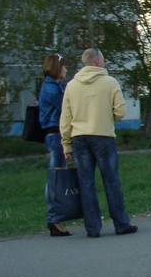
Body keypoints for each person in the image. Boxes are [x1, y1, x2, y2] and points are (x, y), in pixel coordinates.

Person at [60, 48, 137, 238]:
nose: (104, 62)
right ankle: (121, 224)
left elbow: (66, 118)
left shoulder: (71, 85)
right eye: (102, 59)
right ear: (97, 62)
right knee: (111, 181)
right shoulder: (110, 82)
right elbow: (120, 112)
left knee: (86, 183)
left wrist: (66, 145)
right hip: (103, 137)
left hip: (79, 138)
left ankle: (93, 228)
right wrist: (105, 116)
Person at [39, 53, 71, 236]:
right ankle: (54, 219)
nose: (66, 70)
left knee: (56, 176)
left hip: (56, 134)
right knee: (55, 178)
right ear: (56, 68)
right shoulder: (52, 89)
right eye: (64, 66)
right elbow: (66, 108)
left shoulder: (54, 87)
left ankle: (55, 218)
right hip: (55, 135)